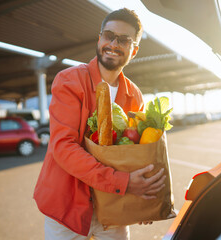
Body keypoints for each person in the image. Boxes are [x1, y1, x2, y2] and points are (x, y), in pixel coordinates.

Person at [34, 8, 166, 240]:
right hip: (67, 209)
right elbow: (63, 147)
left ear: (133, 50)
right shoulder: (70, 80)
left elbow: (137, 153)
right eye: (108, 35)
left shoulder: (134, 95)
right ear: (100, 38)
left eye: (124, 40)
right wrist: (124, 183)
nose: (113, 44)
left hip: (115, 209)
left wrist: (143, 199)